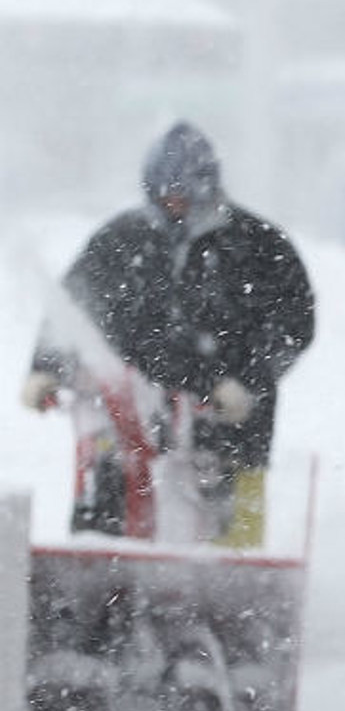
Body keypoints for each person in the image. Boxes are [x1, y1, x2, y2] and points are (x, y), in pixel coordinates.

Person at [21, 120, 315, 548]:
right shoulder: (120, 240)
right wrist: (46, 368)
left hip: (231, 432)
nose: (173, 206)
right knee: (108, 530)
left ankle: (227, 602)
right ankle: (102, 594)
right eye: (164, 196)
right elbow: (72, 310)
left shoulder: (259, 246)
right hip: (130, 422)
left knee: (230, 549)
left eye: (183, 196)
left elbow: (294, 326)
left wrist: (247, 383)